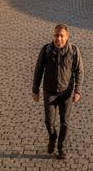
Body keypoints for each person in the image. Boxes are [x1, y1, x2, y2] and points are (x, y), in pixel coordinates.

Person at [32, 23, 83, 160]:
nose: (58, 38)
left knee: (64, 122)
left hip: (66, 93)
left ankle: (61, 147)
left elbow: (79, 72)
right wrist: (35, 90)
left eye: (61, 36)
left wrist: (77, 91)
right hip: (49, 91)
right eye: (56, 35)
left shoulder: (73, 51)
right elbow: (38, 70)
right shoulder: (46, 50)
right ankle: (53, 137)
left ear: (67, 37)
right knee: (49, 121)